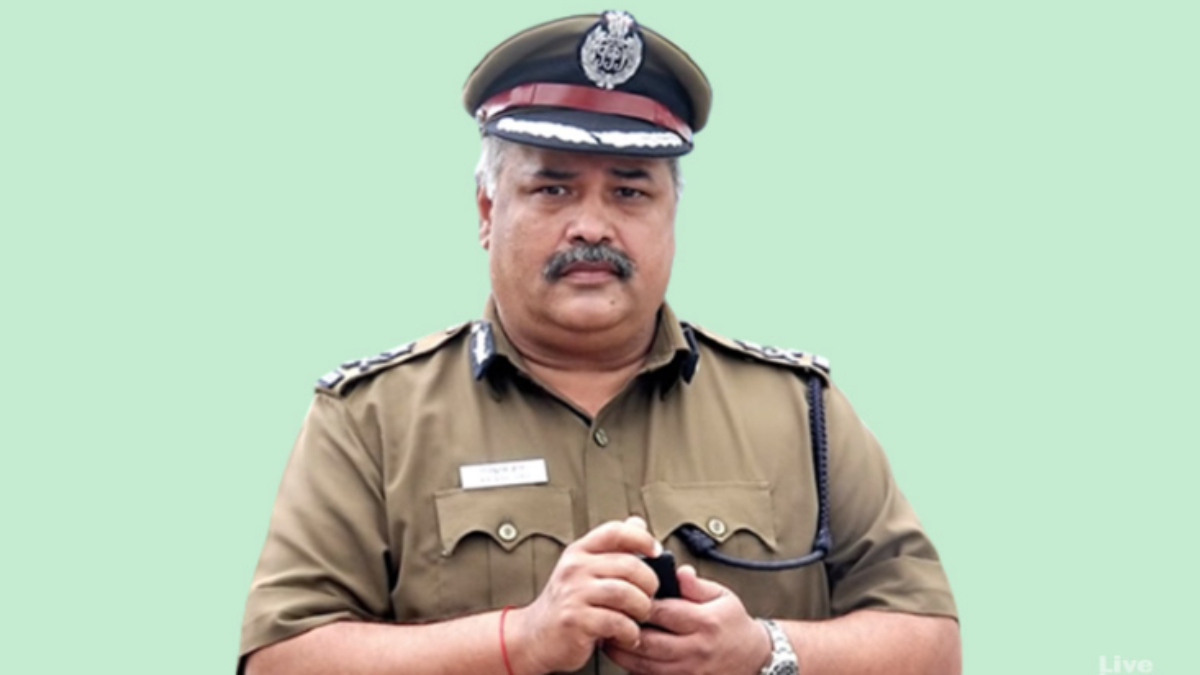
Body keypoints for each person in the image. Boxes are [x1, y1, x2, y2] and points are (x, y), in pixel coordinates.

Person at [238, 10, 960, 675]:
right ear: (488, 208)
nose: (591, 225)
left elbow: (932, 646)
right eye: (552, 190)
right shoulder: (371, 419)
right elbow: (279, 658)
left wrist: (763, 649)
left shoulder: (801, 413)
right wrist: (517, 639)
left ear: (672, 211)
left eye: (629, 191)